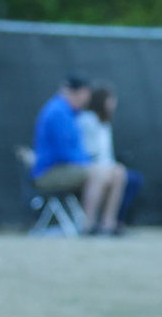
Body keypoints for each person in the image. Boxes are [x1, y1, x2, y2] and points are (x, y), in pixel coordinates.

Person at [30, 75, 128, 236]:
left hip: (66, 168)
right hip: (49, 172)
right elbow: (65, 152)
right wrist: (89, 164)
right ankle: (87, 225)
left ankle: (107, 225)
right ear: (80, 93)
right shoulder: (58, 112)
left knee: (118, 172)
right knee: (98, 173)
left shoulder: (71, 113)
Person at [77, 82, 144, 228]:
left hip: (105, 166)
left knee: (125, 175)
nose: (113, 103)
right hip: (90, 167)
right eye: (110, 100)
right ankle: (89, 223)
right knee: (113, 174)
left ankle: (109, 222)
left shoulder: (104, 124)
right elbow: (89, 152)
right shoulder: (88, 121)